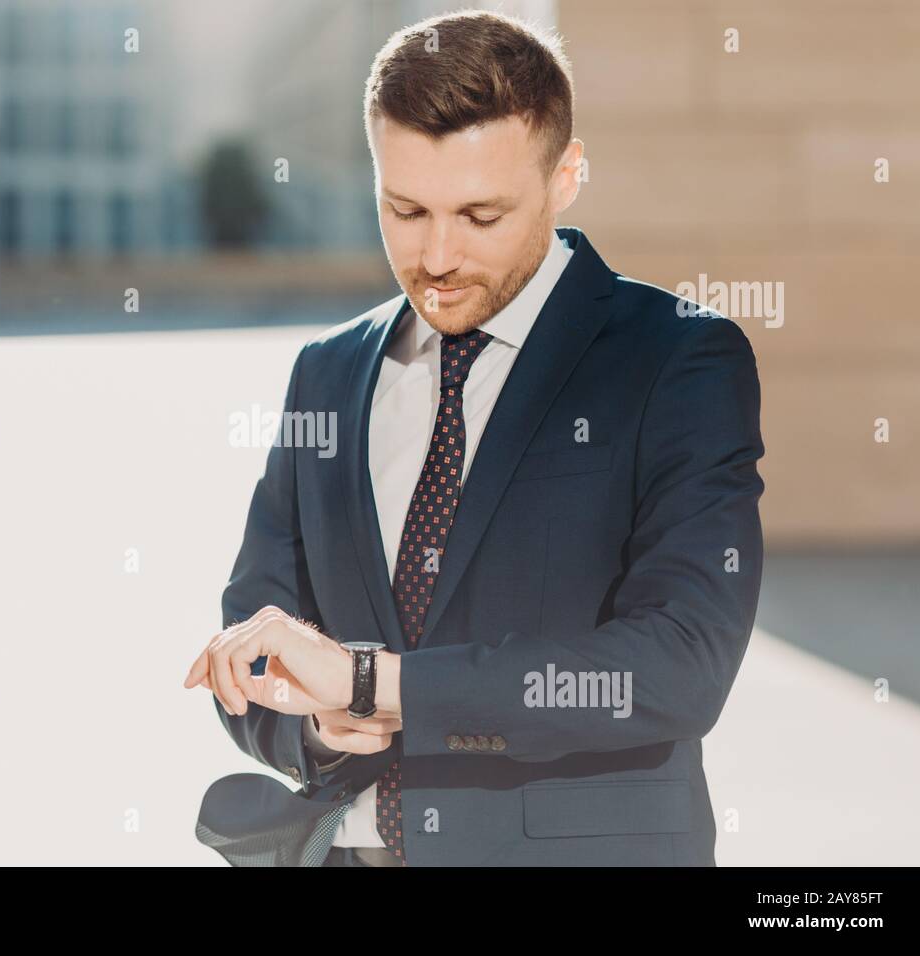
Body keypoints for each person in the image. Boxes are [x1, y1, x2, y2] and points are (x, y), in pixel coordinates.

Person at [185, 8, 764, 867]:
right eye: (405, 209)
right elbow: (257, 633)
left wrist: (380, 685)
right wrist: (316, 724)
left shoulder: (677, 357)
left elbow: (682, 662)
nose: (439, 255)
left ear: (566, 174)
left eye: (481, 215)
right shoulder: (328, 371)